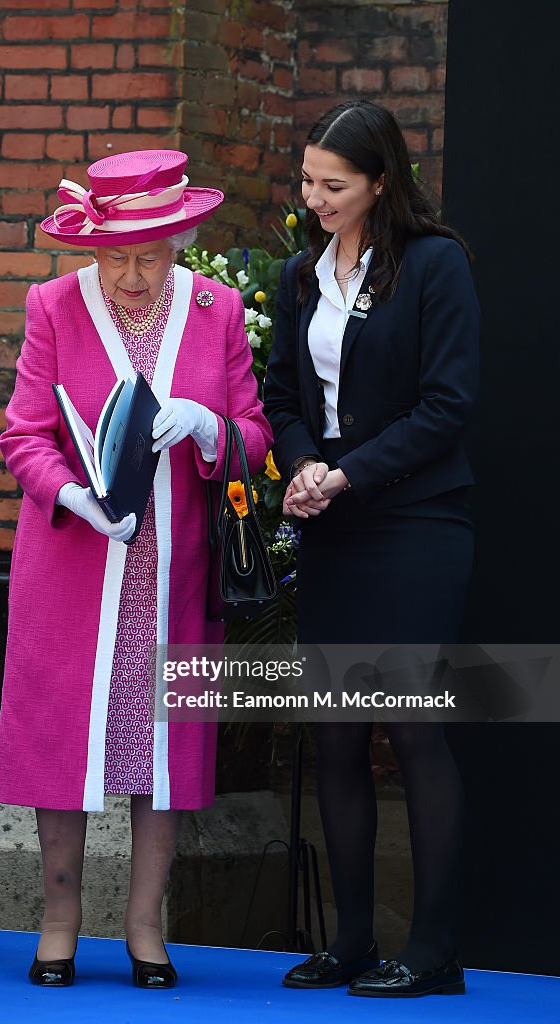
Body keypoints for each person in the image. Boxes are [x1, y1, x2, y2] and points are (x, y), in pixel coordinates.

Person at [0, 149, 272, 989]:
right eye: (115, 256)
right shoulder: (53, 304)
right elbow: (22, 435)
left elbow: (255, 435)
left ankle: (146, 929)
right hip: (76, 567)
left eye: (150, 256)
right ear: (90, 245)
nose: (132, 276)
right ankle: (58, 923)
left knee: (163, 750)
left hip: (174, 574)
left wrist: (208, 424)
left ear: (182, 238)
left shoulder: (217, 309)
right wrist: (71, 496)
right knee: (62, 741)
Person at [264, 100, 479, 998]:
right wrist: (305, 463)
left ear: (381, 182)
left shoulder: (435, 264)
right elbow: (280, 395)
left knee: (412, 726)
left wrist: (348, 474)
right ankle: (350, 941)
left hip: (416, 523)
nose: (314, 197)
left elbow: (446, 405)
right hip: (334, 525)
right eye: (307, 180)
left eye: (334, 185)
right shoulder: (298, 275)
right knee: (336, 731)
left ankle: (433, 953)